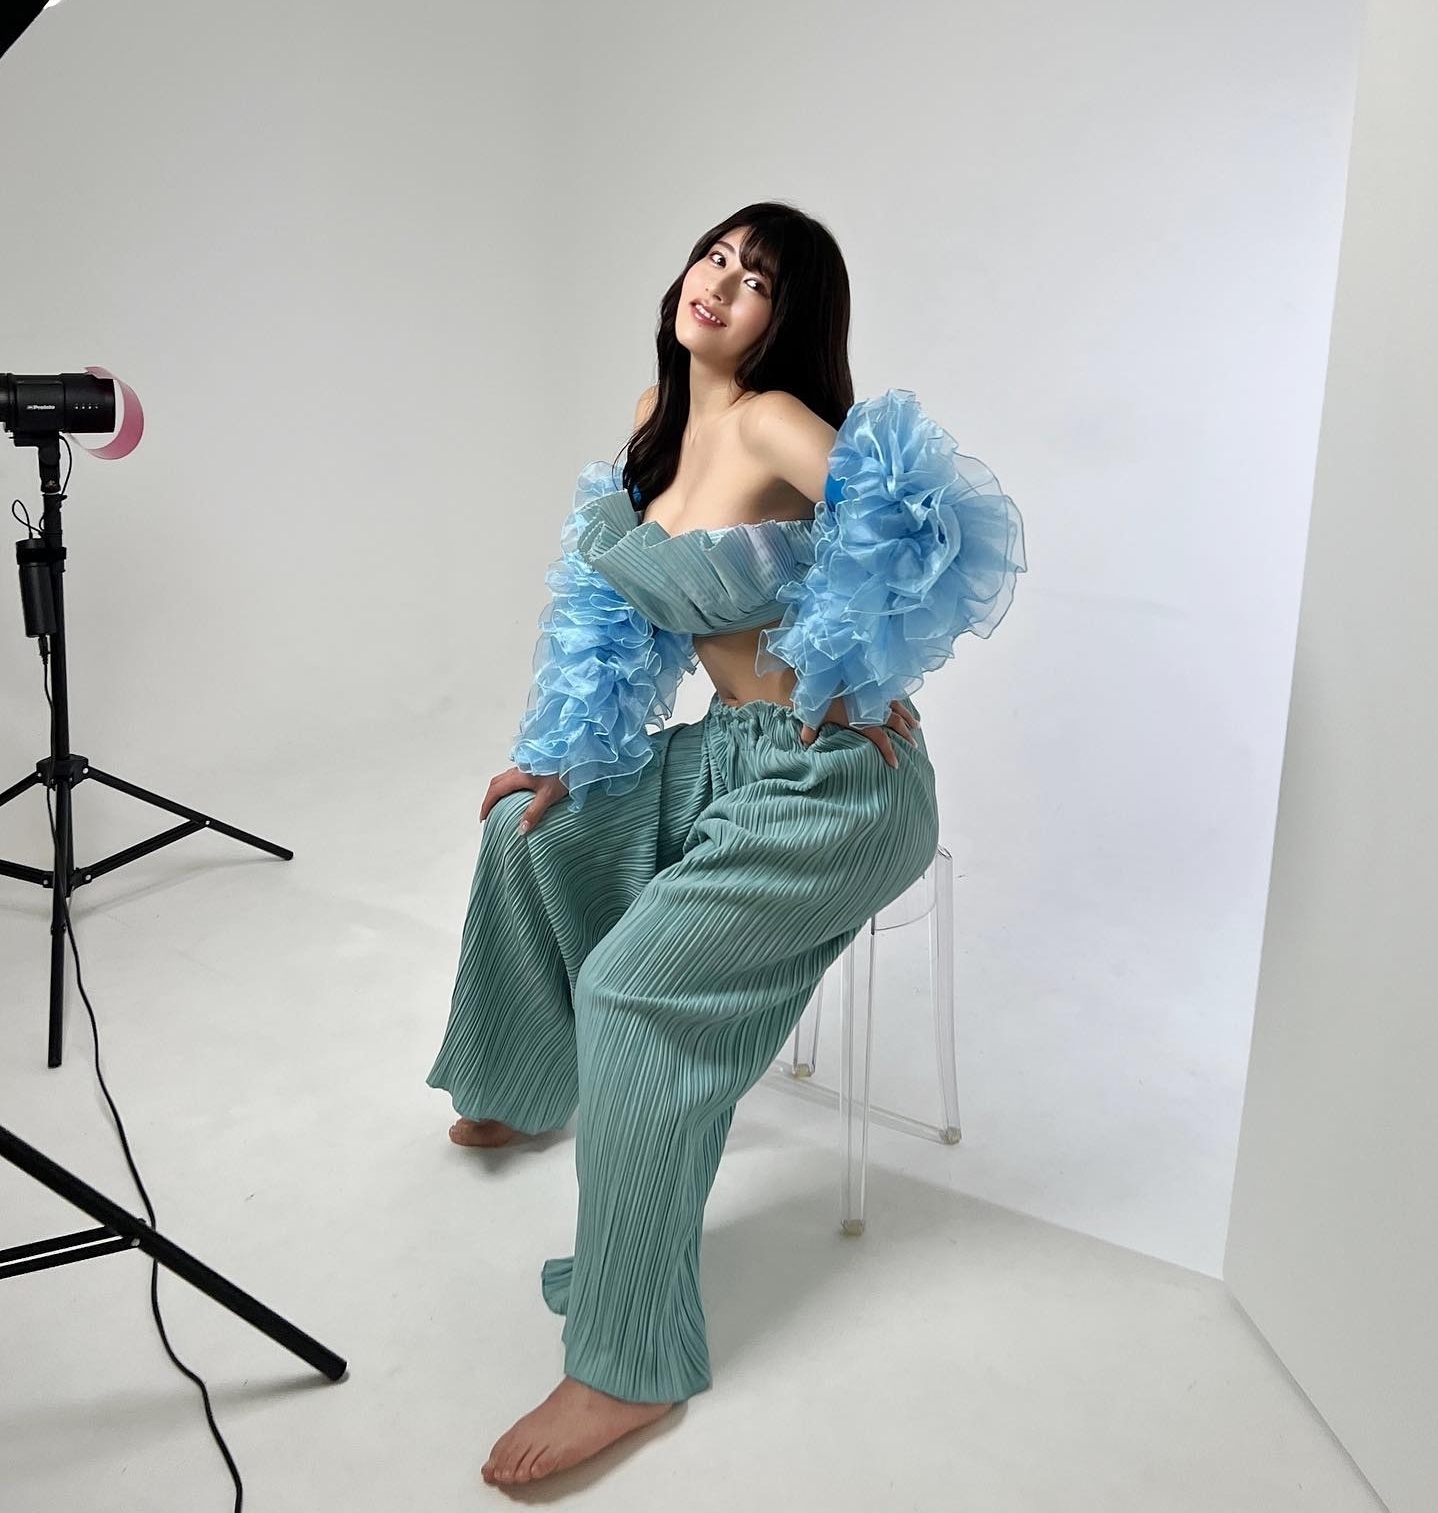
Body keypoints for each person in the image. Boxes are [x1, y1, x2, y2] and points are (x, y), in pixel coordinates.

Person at [426, 201, 1027, 1486]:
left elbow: (927, 520)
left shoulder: (769, 420)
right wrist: (564, 753)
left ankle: (625, 1363)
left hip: (836, 788)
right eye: (715, 256)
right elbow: (616, 618)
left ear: (782, 320)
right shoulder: (659, 424)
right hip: (731, 754)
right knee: (530, 831)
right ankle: (529, 1089)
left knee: (633, 989)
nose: (721, 282)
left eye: (755, 279)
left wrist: (857, 666)